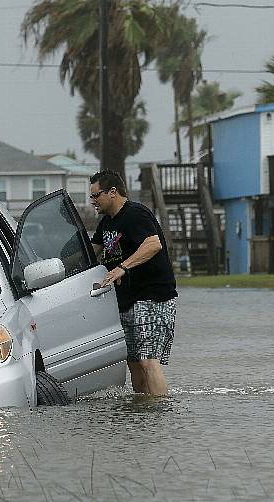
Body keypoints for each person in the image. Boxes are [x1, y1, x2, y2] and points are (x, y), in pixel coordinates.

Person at [90, 170, 178, 396]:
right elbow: (91, 254)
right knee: (134, 362)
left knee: (148, 360)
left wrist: (122, 267)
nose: (93, 201)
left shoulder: (136, 214)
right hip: (126, 301)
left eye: (96, 195)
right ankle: (141, 414)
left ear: (112, 192)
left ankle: (159, 415)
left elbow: (153, 244)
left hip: (152, 298)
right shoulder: (106, 223)